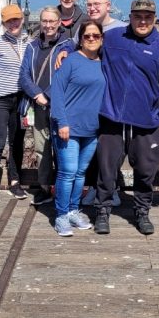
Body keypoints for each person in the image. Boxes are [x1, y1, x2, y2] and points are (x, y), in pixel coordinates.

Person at [93, 0, 159, 235]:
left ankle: (142, 211)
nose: (142, 21)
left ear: (155, 19)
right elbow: (86, 44)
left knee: (145, 171)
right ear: (130, 17)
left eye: (147, 17)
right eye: (138, 16)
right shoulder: (113, 37)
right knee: (106, 169)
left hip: (146, 122)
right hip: (112, 118)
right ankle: (102, 211)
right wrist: (65, 51)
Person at [50, 20, 106, 236]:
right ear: (80, 39)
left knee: (81, 173)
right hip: (69, 128)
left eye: (96, 35)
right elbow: (57, 92)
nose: (91, 39)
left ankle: (74, 210)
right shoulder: (71, 61)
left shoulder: (104, 62)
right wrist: (62, 122)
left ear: (102, 39)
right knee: (68, 172)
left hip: (92, 129)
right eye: (87, 36)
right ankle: (61, 215)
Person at [19, 6, 74, 206]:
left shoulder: (68, 45)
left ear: (59, 23)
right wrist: (37, 94)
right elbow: (24, 75)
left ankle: (63, 189)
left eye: (52, 21)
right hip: (39, 105)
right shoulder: (32, 47)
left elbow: (69, 74)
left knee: (62, 149)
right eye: (45, 21)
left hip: (61, 106)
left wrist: (49, 95)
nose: (48, 25)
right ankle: (44, 188)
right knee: (42, 149)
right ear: (40, 22)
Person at [76, 0, 125, 206]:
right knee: (91, 145)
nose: (93, 8)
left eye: (97, 4)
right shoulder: (87, 27)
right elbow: (74, 44)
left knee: (112, 148)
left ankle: (111, 188)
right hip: (91, 97)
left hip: (114, 97)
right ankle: (94, 187)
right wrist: (62, 51)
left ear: (108, 6)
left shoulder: (121, 29)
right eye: (89, 4)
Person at [0, 4, 30, 203]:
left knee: (17, 142)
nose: (13, 24)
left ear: (22, 20)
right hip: (0, 100)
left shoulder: (29, 42)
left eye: (16, 19)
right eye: (9, 21)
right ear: (3, 23)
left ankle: (15, 181)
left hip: (21, 99)